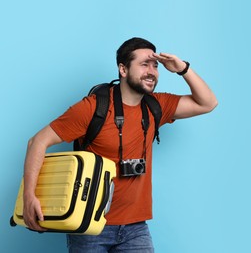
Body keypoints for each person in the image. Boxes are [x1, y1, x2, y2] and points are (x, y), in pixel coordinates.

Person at [22, 37, 218, 252]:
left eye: (155, 65)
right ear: (123, 70)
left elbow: (208, 102)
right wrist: (29, 196)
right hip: (90, 225)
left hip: (136, 226)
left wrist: (182, 69)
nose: (152, 71)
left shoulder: (156, 105)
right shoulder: (92, 108)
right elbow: (37, 141)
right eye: (144, 64)